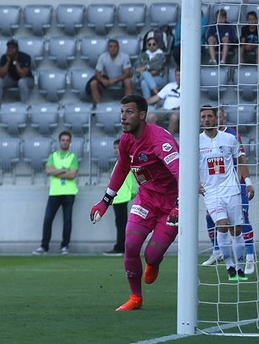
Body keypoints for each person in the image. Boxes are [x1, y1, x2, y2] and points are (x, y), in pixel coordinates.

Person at [90, 94, 180, 312]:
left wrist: (179, 205)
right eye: (121, 112)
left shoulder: (160, 140)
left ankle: (154, 262)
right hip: (146, 200)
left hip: (170, 205)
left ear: (142, 115)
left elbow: (181, 172)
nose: (123, 117)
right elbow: (122, 167)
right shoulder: (126, 140)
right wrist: (105, 201)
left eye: (129, 112)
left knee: (151, 255)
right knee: (130, 245)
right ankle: (135, 297)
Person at [199, 105, 255, 281]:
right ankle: (229, 265)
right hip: (211, 192)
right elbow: (189, 165)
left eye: (210, 116)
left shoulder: (230, 138)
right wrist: (196, 183)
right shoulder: (196, 142)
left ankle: (240, 267)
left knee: (236, 229)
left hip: (231, 189)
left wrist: (248, 183)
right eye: (203, 117)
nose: (206, 120)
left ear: (216, 118)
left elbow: (240, 161)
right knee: (222, 225)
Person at [33, 131, 79, 256]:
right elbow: (48, 171)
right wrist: (64, 170)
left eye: (67, 140)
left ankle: (65, 246)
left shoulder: (73, 157)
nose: (65, 142)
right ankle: (44, 246)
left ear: (70, 142)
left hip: (69, 192)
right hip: (55, 192)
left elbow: (72, 174)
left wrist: (56, 172)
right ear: (59, 142)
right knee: (48, 219)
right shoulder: (53, 156)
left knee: (67, 220)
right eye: (63, 140)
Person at [103, 138, 139, 256]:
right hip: (119, 195)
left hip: (121, 195)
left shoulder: (125, 162)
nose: (116, 150)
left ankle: (120, 247)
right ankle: (121, 246)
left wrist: (132, 191)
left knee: (121, 223)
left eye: (117, 148)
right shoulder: (121, 161)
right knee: (121, 222)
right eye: (114, 148)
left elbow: (130, 179)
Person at [88, 39, 133, 107]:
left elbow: (127, 73)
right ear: (108, 48)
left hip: (120, 81)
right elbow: (97, 73)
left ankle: (128, 107)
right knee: (93, 83)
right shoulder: (102, 57)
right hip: (106, 81)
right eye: (111, 46)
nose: (113, 48)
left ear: (118, 47)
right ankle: (98, 107)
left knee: (128, 81)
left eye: (115, 46)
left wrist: (115, 80)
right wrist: (102, 80)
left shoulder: (125, 57)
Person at [0, 39, 34, 112]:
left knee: (21, 82)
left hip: (27, 79)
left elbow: (23, 74)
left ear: (17, 48)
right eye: (9, 48)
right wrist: (8, 61)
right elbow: (1, 75)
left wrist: (15, 61)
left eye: (13, 48)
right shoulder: (4, 57)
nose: (10, 50)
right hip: (12, 79)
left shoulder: (25, 57)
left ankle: (25, 107)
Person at [146, 68, 181, 135]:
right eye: (177, 75)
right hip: (164, 110)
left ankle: (169, 139)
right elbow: (156, 97)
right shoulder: (170, 85)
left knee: (174, 117)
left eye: (181, 75)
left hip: (177, 111)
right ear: (175, 76)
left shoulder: (188, 88)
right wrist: (141, 102)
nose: (179, 77)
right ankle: (155, 138)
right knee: (151, 116)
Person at [133, 34, 167, 99]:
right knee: (145, 74)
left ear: (157, 45)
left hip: (158, 78)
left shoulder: (161, 55)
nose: (151, 46)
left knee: (144, 82)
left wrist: (145, 67)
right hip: (142, 76)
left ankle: (147, 101)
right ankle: (158, 96)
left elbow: (157, 68)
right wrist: (149, 69)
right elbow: (136, 68)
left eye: (154, 44)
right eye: (149, 44)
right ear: (146, 46)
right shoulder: (142, 55)